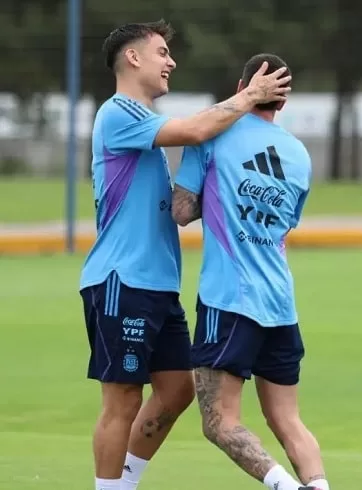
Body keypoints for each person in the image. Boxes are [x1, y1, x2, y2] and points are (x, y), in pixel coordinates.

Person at [80, 21, 291, 490]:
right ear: (132, 58)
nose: (170, 61)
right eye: (161, 52)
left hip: (157, 286)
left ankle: (126, 481)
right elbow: (197, 130)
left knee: (176, 390)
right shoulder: (117, 113)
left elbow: (182, 201)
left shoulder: (143, 122)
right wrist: (250, 96)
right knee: (122, 400)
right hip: (121, 280)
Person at [171, 53, 328, 490]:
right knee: (287, 419)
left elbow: (182, 211)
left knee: (219, 422)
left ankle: (286, 488)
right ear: (283, 100)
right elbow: (284, 225)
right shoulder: (299, 155)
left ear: (243, 86)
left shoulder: (212, 135)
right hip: (280, 303)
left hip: (229, 299)